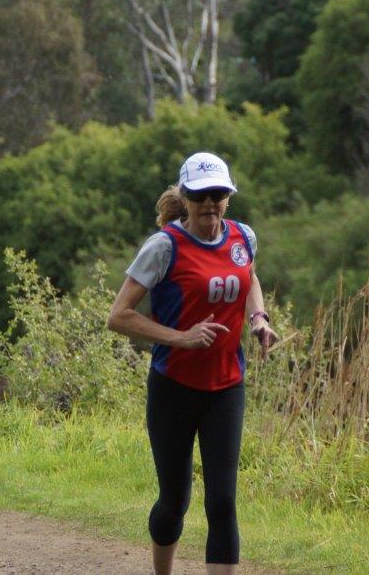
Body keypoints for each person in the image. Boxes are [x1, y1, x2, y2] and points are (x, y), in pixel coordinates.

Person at [107, 151, 278, 575]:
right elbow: (119, 316)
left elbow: (250, 277)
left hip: (226, 386)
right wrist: (181, 338)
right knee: (174, 501)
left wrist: (258, 318)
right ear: (184, 197)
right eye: (200, 195)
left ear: (229, 197)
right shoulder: (164, 247)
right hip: (174, 388)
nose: (209, 203)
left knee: (222, 502)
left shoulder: (243, 238)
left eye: (217, 194)